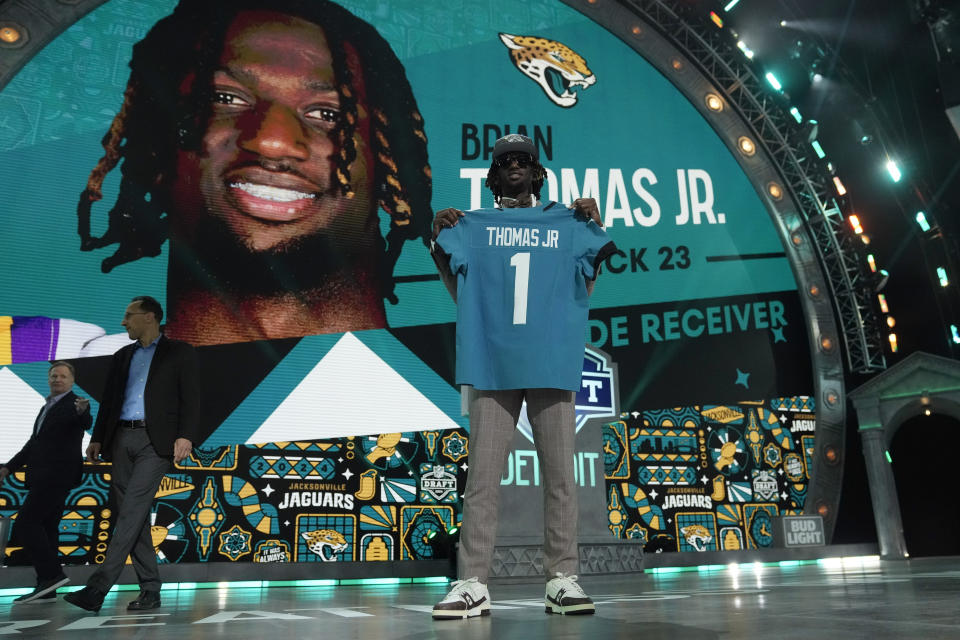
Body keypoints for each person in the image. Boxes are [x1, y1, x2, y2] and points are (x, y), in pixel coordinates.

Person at [76, 0, 432, 346]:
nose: (272, 141)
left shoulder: (462, 385)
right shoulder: (92, 372)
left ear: (390, 173)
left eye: (327, 114)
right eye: (226, 99)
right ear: (157, 146)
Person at [429, 134, 615, 619]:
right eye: (505, 161)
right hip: (493, 363)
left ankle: (561, 578)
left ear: (537, 172)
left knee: (560, 476)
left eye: (523, 160)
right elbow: (459, 289)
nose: (514, 166)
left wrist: (593, 223)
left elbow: (588, 282)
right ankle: (472, 582)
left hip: (550, 360)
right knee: (483, 479)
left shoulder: (571, 221)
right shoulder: (468, 226)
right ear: (494, 174)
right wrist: (438, 240)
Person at [64, 296, 200, 613]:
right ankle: (150, 590)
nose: (124, 322)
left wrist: (186, 436)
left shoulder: (180, 352)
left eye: (129, 316)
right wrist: (97, 438)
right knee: (133, 519)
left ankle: (97, 589)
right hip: (121, 438)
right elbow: (110, 401)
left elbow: (191, 398)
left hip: (156, 442)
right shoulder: (122, 355)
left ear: (149, 317)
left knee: (131, 512)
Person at [1, 362, 91, 604]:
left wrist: (84, 412)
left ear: (72, 381)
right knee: (48, 529)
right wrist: (8, 468)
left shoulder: (75, 404)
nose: (57, 379)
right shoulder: (47, 407)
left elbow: (83, 421)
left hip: (56, 476)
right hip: (43, 476)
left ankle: (52, 574)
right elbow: (33, 444)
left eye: (62, 376)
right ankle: (47, 588)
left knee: (26, 524)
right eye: (53, 375)